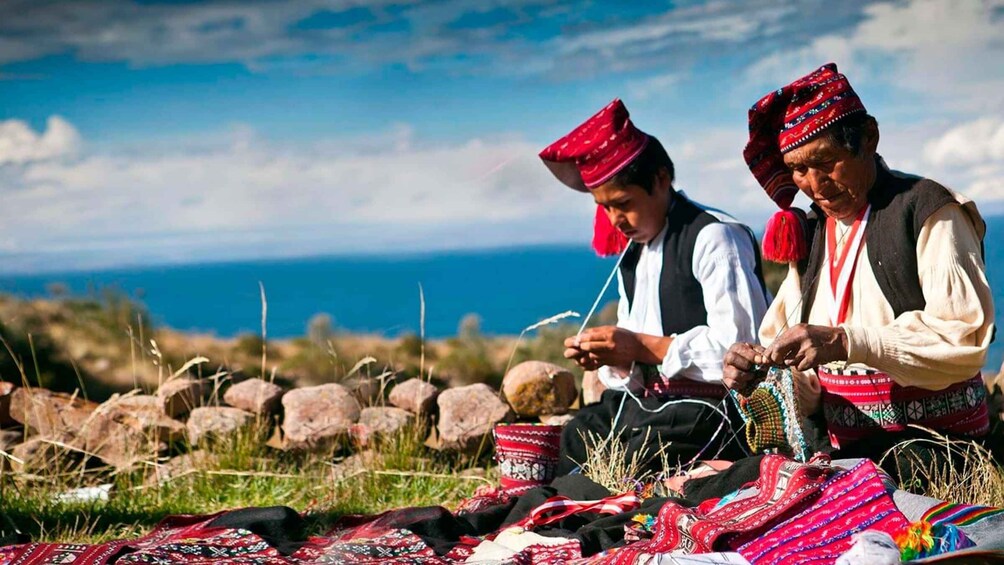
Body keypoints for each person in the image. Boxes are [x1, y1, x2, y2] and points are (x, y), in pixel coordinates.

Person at [723, 63, 995, 462]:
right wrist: (761, 374)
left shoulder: (928, 210)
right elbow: (811, 386)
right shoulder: (814, 232)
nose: (815, 186)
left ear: (869, 138)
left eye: (826, 161)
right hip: (845, 452)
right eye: (799, 169)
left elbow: (962, 340)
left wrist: (845, 341)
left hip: (934, 449)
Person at [538, 99, 769, 475]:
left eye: (623, 203)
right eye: (605, 207)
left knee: (636, 455)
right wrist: (613, 357)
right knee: (579, 434)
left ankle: (581, 514)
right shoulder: (633, 256)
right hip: (652, 407)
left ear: (661, 179)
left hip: (711, 413)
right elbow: (635, 365)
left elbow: (744, 354)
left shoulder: (716, 237)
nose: (615, 220)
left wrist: (642, 347)